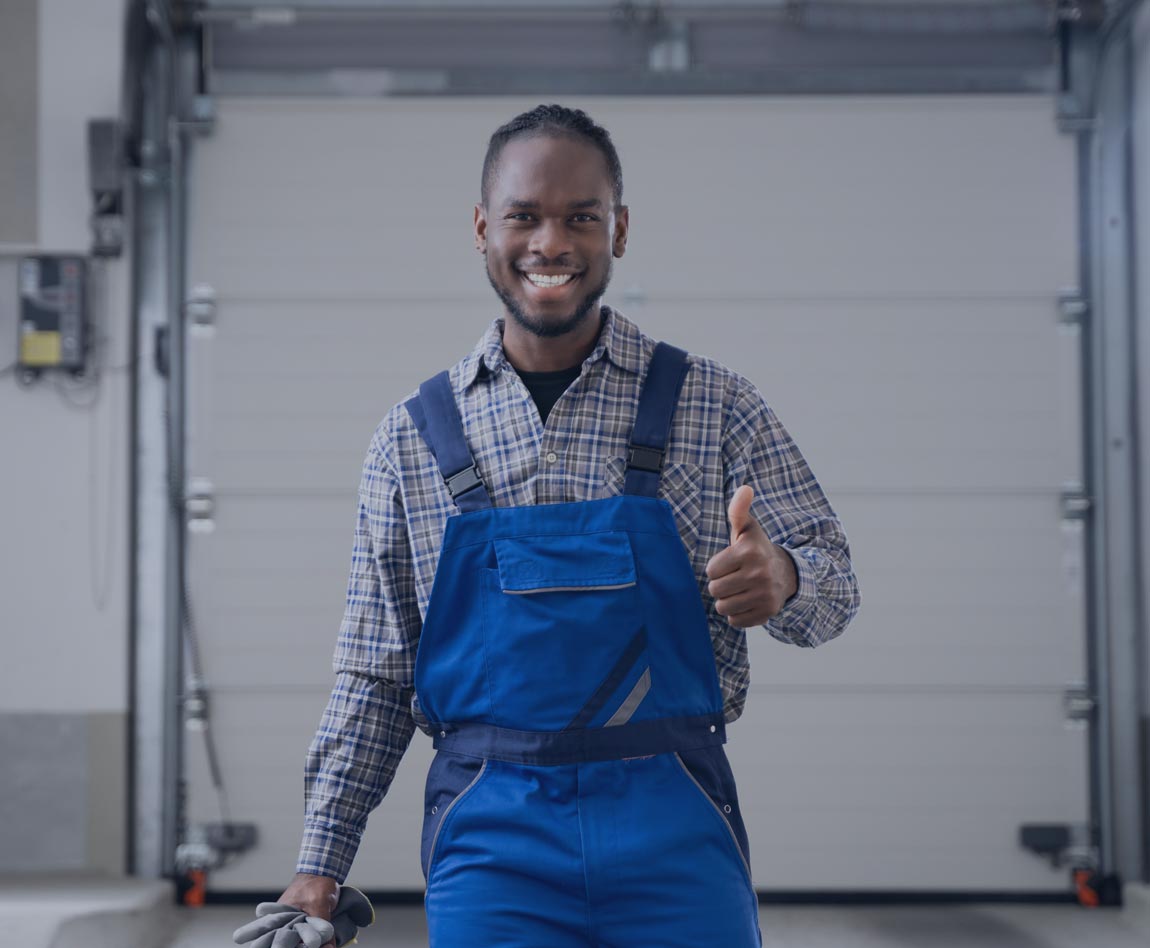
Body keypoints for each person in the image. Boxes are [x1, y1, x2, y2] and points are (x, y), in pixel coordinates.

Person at [273, 104, 860, 947]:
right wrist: (319, 864)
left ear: (618, 231)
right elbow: (376, 673)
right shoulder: (411, 439)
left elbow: (836, 589)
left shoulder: (715, 406)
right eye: (524, 215)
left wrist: (787, 579)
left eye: (581, 216)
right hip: (493, 837)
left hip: (676, 828)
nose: (551, 242)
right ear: (482, 228)